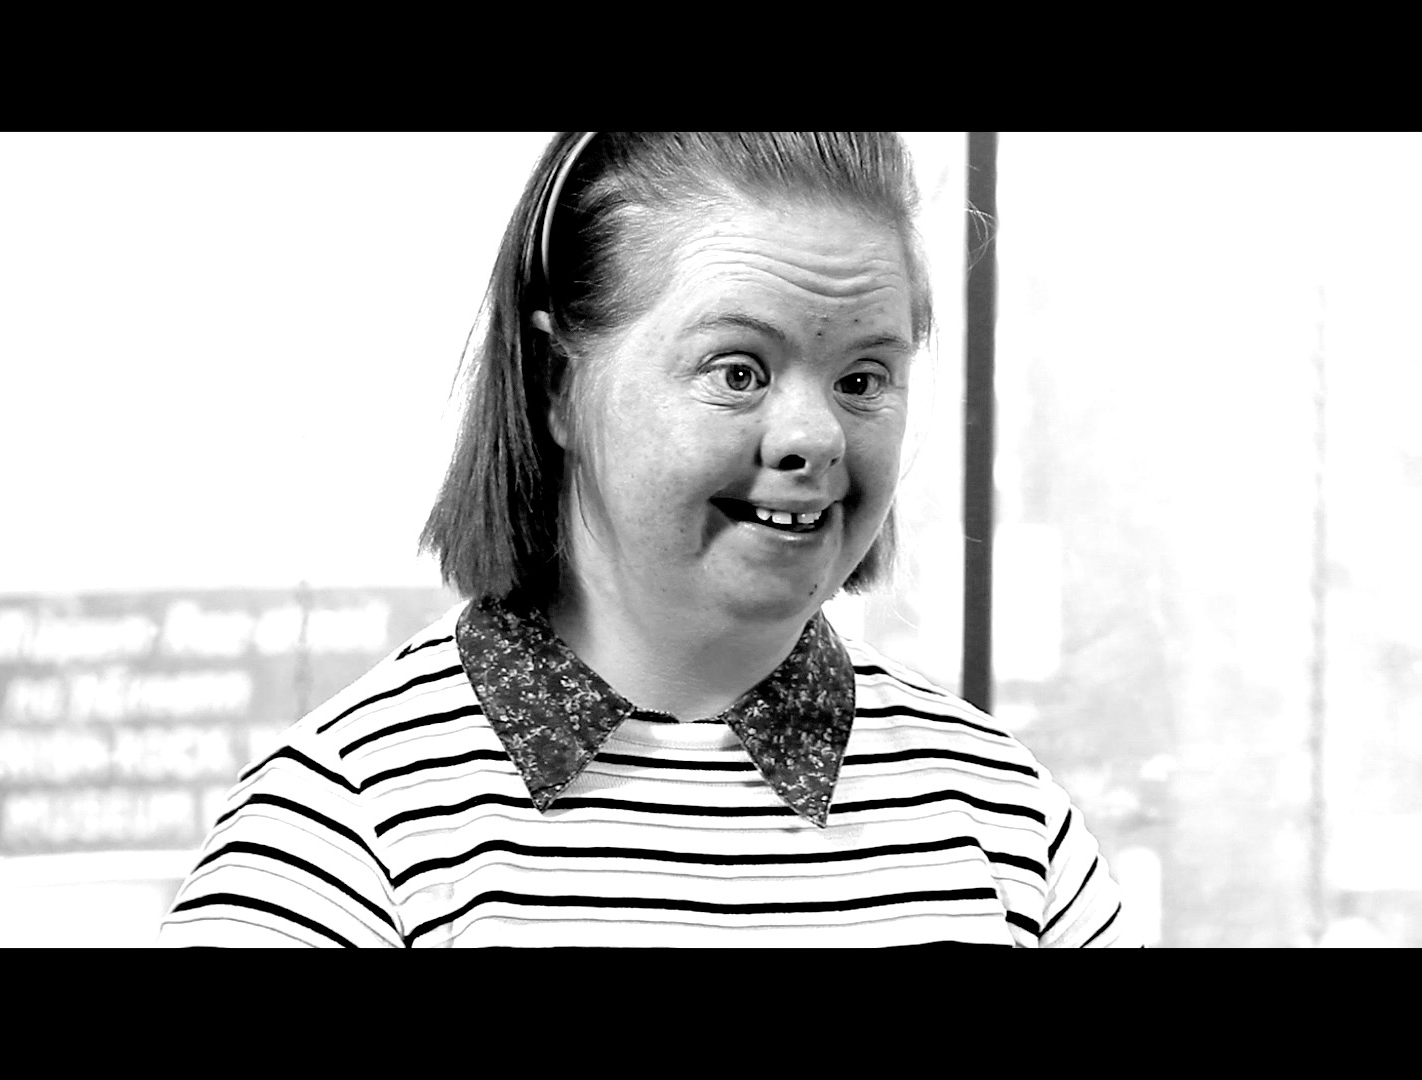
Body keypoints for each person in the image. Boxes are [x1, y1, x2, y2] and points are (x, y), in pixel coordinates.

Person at [158, 132, 1131, 947]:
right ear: (557, 385)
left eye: (862, 379)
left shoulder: (1004, 820)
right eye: (738, 370)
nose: (815, 437)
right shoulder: (346, 830)